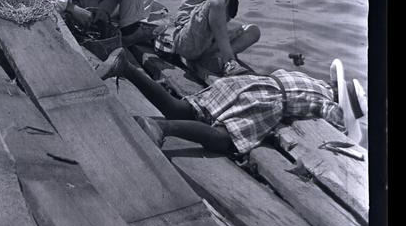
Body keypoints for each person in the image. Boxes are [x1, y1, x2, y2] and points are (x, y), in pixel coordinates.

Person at [98, 50, 367, 157]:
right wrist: (344, 125)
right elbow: (334, 115)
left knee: (185, 108)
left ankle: (127, 67)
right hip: (265, 103)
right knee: (225, 139)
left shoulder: (311, 80)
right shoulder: (325, 100)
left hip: (248, 83)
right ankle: (163, 128)